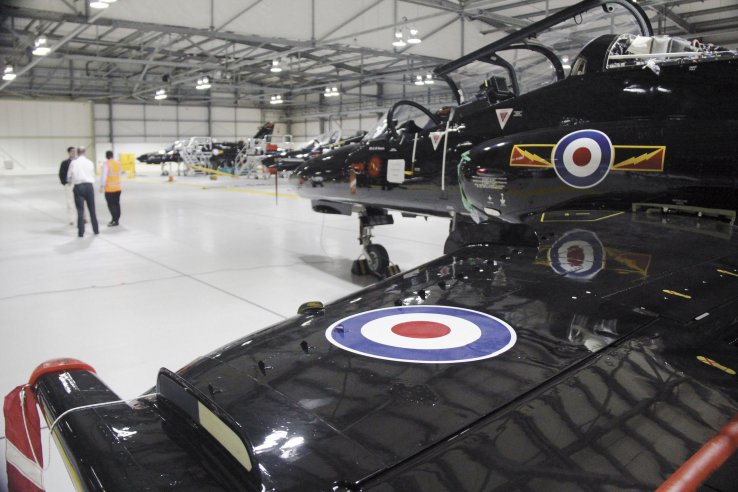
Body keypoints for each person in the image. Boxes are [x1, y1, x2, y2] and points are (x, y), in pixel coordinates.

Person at [66, 146, 99, 237]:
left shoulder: (73, 163)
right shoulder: (90, 163)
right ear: (85, 152)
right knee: (92, 210)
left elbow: (69, 177)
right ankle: (96, 230)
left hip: (78, 187)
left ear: (77, 152)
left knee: (80, 211)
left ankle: (81, 232)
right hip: (89, 186)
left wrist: (69, 183)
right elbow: (93, 175)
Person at [58, 146, 79, 225]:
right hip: (69, 184)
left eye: (75, 151)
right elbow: (61, 174)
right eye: (72, 151)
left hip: (78, 183)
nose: (74, 153)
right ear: (69, 153)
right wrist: (65, 183)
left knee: (81, 201)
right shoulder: (65, 163)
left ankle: (83, 217)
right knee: (70, 202)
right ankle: (71, 219)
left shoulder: (79, 162)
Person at [100, 150, 122, 226]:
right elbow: (119, 174)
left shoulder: (106, 164)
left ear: (106, 156)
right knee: (117, 203)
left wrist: (102, 186)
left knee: (111, 204)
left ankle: (114, 220)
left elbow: (104, 176)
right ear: (113, 155)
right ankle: (117, 219)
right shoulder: (118, 163)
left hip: (109, 189)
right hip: (118, 187)